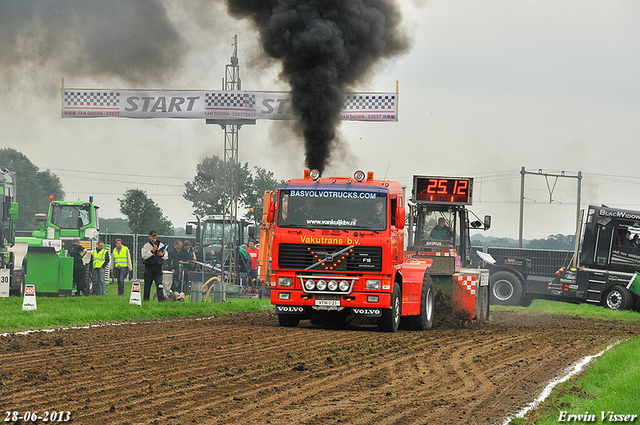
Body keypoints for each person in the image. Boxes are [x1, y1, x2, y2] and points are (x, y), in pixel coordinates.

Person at [141, 230, 168, 302]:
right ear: (149, 236)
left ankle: (161, 300)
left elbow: (166, 256)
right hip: (149, 268)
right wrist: (152, 251)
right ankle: (146, 300)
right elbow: (144, 256)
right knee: (147, 286)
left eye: (155, 236)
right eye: (152, 236)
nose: (154, 237)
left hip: (158, 268)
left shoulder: (161, 245)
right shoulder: (146, 246)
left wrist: (162, 255)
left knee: (159, 285)